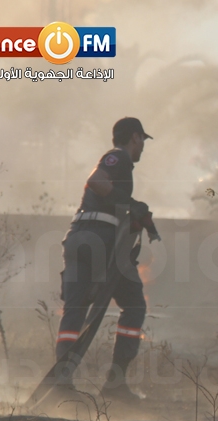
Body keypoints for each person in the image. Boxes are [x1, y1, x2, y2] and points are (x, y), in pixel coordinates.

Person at [56, 117, 158, 402]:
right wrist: (130, 205)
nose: (142, 149)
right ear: (135, 137)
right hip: (98, 242)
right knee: (134, 305)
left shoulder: (120, 163)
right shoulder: (119, 157)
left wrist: (134, 215)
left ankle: (61, 382)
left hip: (78, 239)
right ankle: (115, 384)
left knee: (74, 311)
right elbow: (97, 181)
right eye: (142, 141)